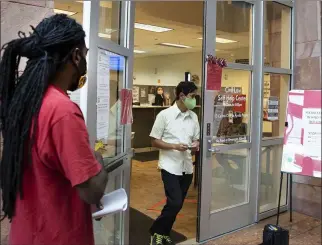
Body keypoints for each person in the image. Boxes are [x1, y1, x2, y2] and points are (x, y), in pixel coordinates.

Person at [0, 14, 108, 245]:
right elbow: (91, 191)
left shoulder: (27, 103)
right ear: (76, 56)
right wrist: (99, 162)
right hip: (57, 237)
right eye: (85, 55)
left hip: (27, 234)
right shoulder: (62, 111)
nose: (85, 64)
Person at [149, 81, 200, 245]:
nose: (194, 100)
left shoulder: (194, 117)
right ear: (182, 96)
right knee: (175, 202)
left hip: (186, 167)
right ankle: (156, 230)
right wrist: (174, 146)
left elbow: (196, 140)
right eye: (192, 96)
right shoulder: (164, 115)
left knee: (176, 205)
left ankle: (162, 233)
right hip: (169, 166)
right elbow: (154, 141)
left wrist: (195, 145)